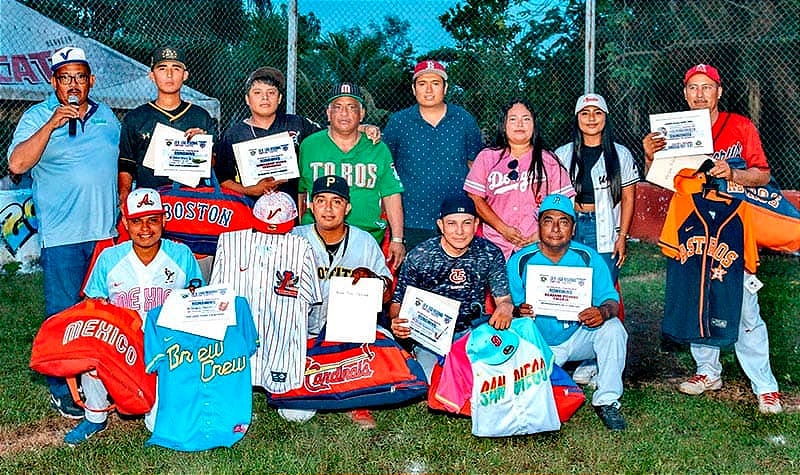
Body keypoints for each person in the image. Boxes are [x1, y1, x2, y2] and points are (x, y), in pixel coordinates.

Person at [643, 63, 783, 414]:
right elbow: (660, 180)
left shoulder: (739, 125)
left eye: (707, 87)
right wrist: (650, 153)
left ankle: (765, 385)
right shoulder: (674, 130)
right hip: (691, 224)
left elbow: (763, 175)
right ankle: (708, 371)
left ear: (719, 92)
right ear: (685, 93)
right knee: (697, 298)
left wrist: (733, 172)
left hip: (733, 225)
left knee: (745, 306)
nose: (700, 94)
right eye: (693, 88)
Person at [7, 46, 120, 419]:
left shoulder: (108, 118)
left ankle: (101, 381)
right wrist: (52, 123)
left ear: (91, 81)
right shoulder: (36, 116)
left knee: (103, 313)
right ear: (53, 82)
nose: (73, 84)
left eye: (80, 77)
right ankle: (62, 387)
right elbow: (17, 163)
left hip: (104, 232)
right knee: (64, 315)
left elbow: (121, 164)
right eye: (65, 78)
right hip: (62, 235)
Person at [64, 188, 203, 445]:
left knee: (156, 425)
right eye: (137, 221)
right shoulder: (110, 257)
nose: (145, 228)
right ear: (125, 223)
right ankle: (95, 416)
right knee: (93, 356)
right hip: (123, 342)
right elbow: (91, 304)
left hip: (165, 345)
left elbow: (198, 302)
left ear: (164, 219)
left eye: (152, 219)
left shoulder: (181, 255)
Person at [506, 193, 628, 431]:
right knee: (531, 399)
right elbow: (508, 308)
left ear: (573, 229)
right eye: (548, 220)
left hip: (578, 334)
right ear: (539, 225)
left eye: (563, 221)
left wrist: (602, 312)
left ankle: (607, 400)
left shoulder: (587, 256)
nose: (555, 228)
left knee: (613, 329)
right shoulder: (520, 260)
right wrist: (519, 311)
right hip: (540, 343)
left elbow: (611, 301)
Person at [286, 175, 393, 429]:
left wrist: (373, 280)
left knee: (385, 341)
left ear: (348, 207)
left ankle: (355, 398)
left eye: (336, 201)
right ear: (311, 205)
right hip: (302, 333)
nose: (328, 208)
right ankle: (326, 383)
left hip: (350, 336)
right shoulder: (292, 238)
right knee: (295, 414)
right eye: (321, 201)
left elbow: (387, 295)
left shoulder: (364, 241)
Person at [389, 195, 515, 381]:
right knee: (431, 382)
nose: (459, 231)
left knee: (486, 379)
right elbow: (397, 302)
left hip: (471, 332)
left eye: (466, 223)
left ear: (476, 224)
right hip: (428, 337)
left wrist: (506, 307)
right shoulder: (420, 256)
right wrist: (397, 321)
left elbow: (503, 299)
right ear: (440, 225)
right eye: (451, 223)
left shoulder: (489, 253)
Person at [298, 82, 406, 268]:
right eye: (338, 107)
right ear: (328, 113)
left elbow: (391, 194)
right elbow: (301, 193)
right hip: (316, 240)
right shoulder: (309, 146)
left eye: (351, 107)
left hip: (367, 240)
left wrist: (397, 238)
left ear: (362, 114)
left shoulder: (377, 147)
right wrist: (302, 229)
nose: (344, 113)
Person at [383, 60, 484, 247]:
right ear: (413, 89)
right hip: (412, 220)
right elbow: (386, 167)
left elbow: (476, 168)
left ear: (445, 88)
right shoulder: (399, 122)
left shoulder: (463, 119)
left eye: (435, 83)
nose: (429, 90)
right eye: (422, 84)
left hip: (456, 220)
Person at [464, 99, 575, 259]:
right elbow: (475, 198)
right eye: (513, 119)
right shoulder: (487, 157)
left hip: (538, 245)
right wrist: (503, 229)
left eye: (526, 119)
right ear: (504, 125)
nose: (520, 124)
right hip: (496, 244)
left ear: (534, 124)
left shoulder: (549, 160)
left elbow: (563, 202)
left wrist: (542, 233)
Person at [555, 93, 639, 282]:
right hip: (570, 225)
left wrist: (622, 237)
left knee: (601, 287)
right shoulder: (562, 154)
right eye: (585, 113)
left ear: (606, 117)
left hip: (604, 227)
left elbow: (628, 199)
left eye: (597, 113)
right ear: (577, 118)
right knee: (570, 286)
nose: (591, 118)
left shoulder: (621, 154)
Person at [118, 46, 216, 202]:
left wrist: (203, 148)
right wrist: (124, 197)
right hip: (149, 205)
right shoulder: (135, 118)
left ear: (185, 75)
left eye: (176, 69)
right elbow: (126, 165)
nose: (169, 74)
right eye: (162, 68)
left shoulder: (201, 116)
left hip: (191, 205)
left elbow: (213, 166)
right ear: (152, 75)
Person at [213, 67, 322, 200]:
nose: (265, 98)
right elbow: (222, 178)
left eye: (271, 92)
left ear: (280, 98)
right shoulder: (234, 134)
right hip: (250, 209)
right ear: (247, 99)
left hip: (294, 209)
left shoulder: (297, 124)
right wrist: (250, 190)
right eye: (257, 92)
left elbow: (329, 138)